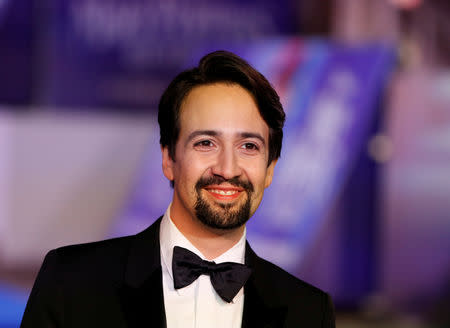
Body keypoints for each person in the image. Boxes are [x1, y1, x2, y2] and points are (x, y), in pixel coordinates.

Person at [21, 50, 335, 328]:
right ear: (169, 158)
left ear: (270, 169)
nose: (227, 169)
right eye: (206, 143)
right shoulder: (71, 284)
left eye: (249, 146)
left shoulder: (307, 312)